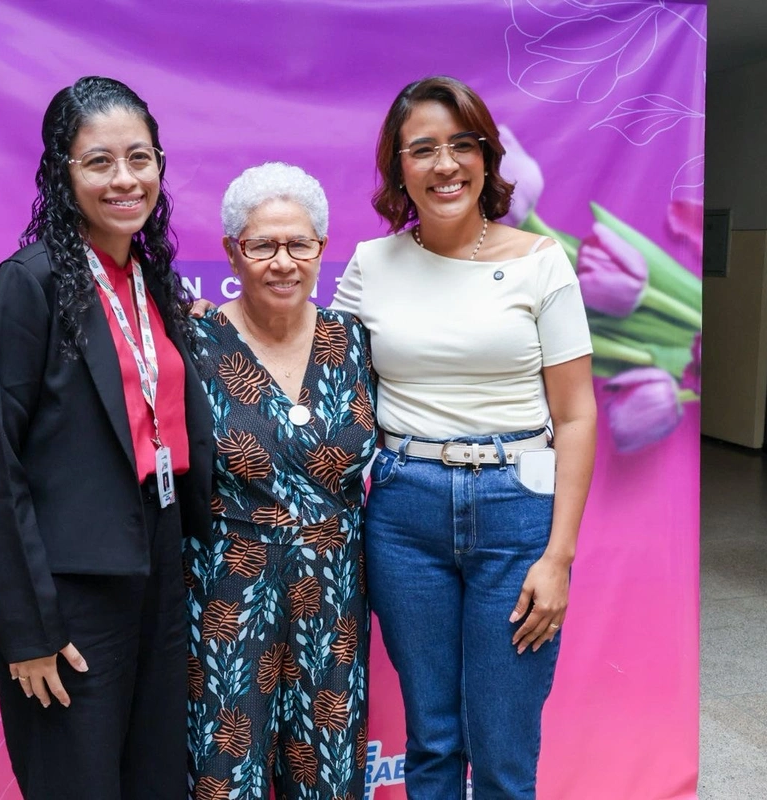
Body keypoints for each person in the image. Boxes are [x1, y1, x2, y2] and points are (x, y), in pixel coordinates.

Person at [330, 76, 597, 799]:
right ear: (399, 169)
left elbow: (575, 415)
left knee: (504, 751)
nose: (444, 164)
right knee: (434, 741)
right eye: (423, 149)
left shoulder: (541, 261)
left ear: (486, 157)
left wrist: (559, 559)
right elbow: (315, 373)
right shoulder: (369, 265)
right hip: (403, 514)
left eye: (461, 144)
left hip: (517, 513)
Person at [0, 76, 212, 799]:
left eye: (140, 157)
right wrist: (29, 630)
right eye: (98, 161)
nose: (124, 179)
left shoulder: (151, 278)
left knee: (155, 778)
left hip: (159, 565)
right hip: (71, 593)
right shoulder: (27, 285)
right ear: (60, 172)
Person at [185, 162, 376, 800]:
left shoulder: (357, 344)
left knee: (328, 775)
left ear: (322, 248)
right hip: (228, 591)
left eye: (300, 244)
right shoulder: (193, 342)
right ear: (232, 252)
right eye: (262, 245)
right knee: (223, 777)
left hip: (335, 591)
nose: (283, 262)